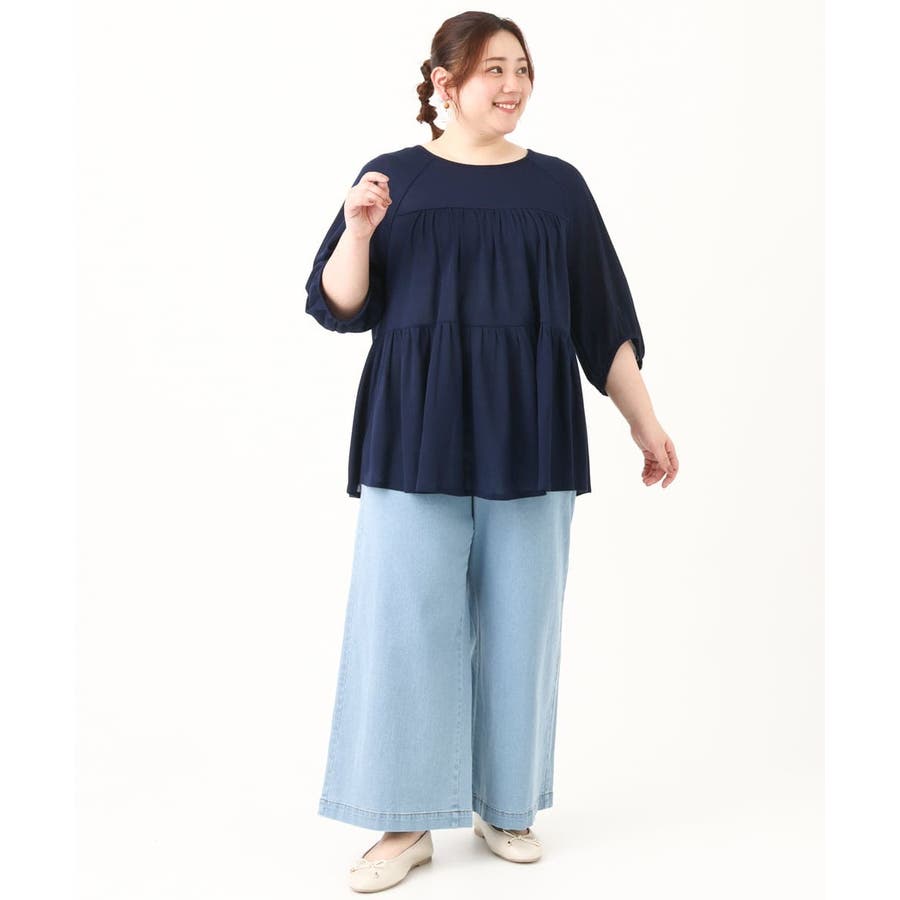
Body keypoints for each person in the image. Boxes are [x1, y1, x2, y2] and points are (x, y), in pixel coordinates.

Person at [304, 11, 679, 893]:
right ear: (444, 83)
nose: (512, 85)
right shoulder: (391, 177)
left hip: (531, 427)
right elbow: (338, 304)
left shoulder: (558, 187)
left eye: (521, 68)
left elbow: (603, 321)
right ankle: (403, 820)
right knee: (405, 626)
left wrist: (644, 421)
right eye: (492, 70)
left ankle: (505, 803)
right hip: (414, 428)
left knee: (523, 622)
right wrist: (358, 229)